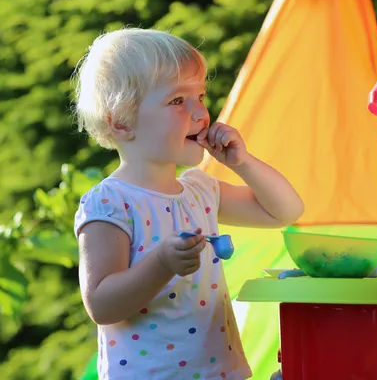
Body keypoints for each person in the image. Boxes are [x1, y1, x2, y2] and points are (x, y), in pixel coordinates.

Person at [72, 27, 304, 380]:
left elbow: (285, 211)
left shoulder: (200, 191)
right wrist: (162, 263)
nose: (200, 114)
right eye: (177, 101)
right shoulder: (110, 202)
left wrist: (243, 163)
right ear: (120, 122)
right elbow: (102, 305)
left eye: (200, 96)